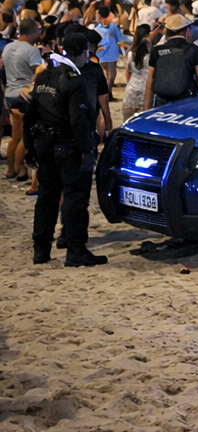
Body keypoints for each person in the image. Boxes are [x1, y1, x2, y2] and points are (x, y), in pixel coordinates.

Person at [26, 32, 104, 266]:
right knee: (75, 199)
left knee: (46, 198)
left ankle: (41, 250)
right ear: (84, 53)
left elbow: (30, 114)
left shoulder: (44, 76)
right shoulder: (74, 80)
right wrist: (88, 148)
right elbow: (78, 120)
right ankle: (76, 250)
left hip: (44, 145)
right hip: (67, 147)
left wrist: (30, 147)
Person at [3, 17, 43, 182]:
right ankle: (20, 169)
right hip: (24, 95)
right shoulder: (32, 51)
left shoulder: (8, 47)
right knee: (26, 137)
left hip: (9, 94)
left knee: (15, 136)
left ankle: (10, 169)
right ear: (32, 32)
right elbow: (39, 71)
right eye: (38, 30)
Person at [145, 14, 198, 106]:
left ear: (166, 32)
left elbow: (149, 82)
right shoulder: (193, 49)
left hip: (161, 100)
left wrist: (147, 108)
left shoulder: (157, 50)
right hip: (186, 101)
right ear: (186, 31)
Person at [121, 24, 152, 121]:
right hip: (145, 90)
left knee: (128, 120)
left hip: (132, 89)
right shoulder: (150, 58)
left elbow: (128, 73)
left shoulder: (131, 54)